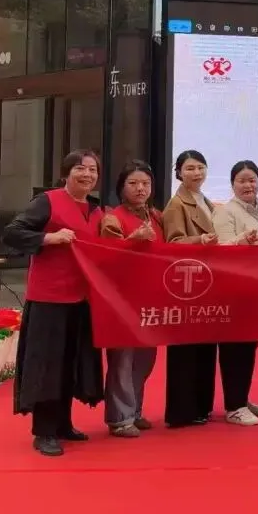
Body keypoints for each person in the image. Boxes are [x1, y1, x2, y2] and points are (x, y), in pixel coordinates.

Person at [2, 149, 104, 457]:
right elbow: (12, 232)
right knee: (48, 365)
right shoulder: (48, 201)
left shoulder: (97, 211)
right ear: (66, 173)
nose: (87, 174)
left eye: (93, 170)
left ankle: (62, 423)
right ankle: (44, 431)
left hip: (82, 298)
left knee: (71, 362)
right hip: (49, 298)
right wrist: (48, 238)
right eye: (80, 168)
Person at [163, 150, 258, 427]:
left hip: (222, 286)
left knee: (214, 350)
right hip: (194, 286)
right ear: (178, 172)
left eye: (200, 167)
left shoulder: (207, 201)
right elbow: (174, 245)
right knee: (197, 352)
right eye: (190, 168)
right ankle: (198, 409)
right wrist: (204, 242)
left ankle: (217, 403)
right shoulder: (178, 204)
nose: (196, 173)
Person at [99, 160, 162, 437]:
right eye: (133, 183)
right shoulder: (112, 218)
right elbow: (106, 257)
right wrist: (133, 239)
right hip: (122, 299)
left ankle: (134, 410)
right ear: (121, 187)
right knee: (122, 359)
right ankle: (120, 417)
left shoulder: (156, 216)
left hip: (151, 298)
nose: (140, 189)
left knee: (145, 358)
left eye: (146, 183)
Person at [211, 160, 258, 426]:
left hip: (255, 287)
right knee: (234, 347)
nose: (248, 185)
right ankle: (234, 406)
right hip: (233, 289)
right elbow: (221, 248)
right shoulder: (225, 211)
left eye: (252, 180)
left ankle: (242, 398)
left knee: (249, 345)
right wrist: (241, 241)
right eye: (242, 181)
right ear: (232, 184)